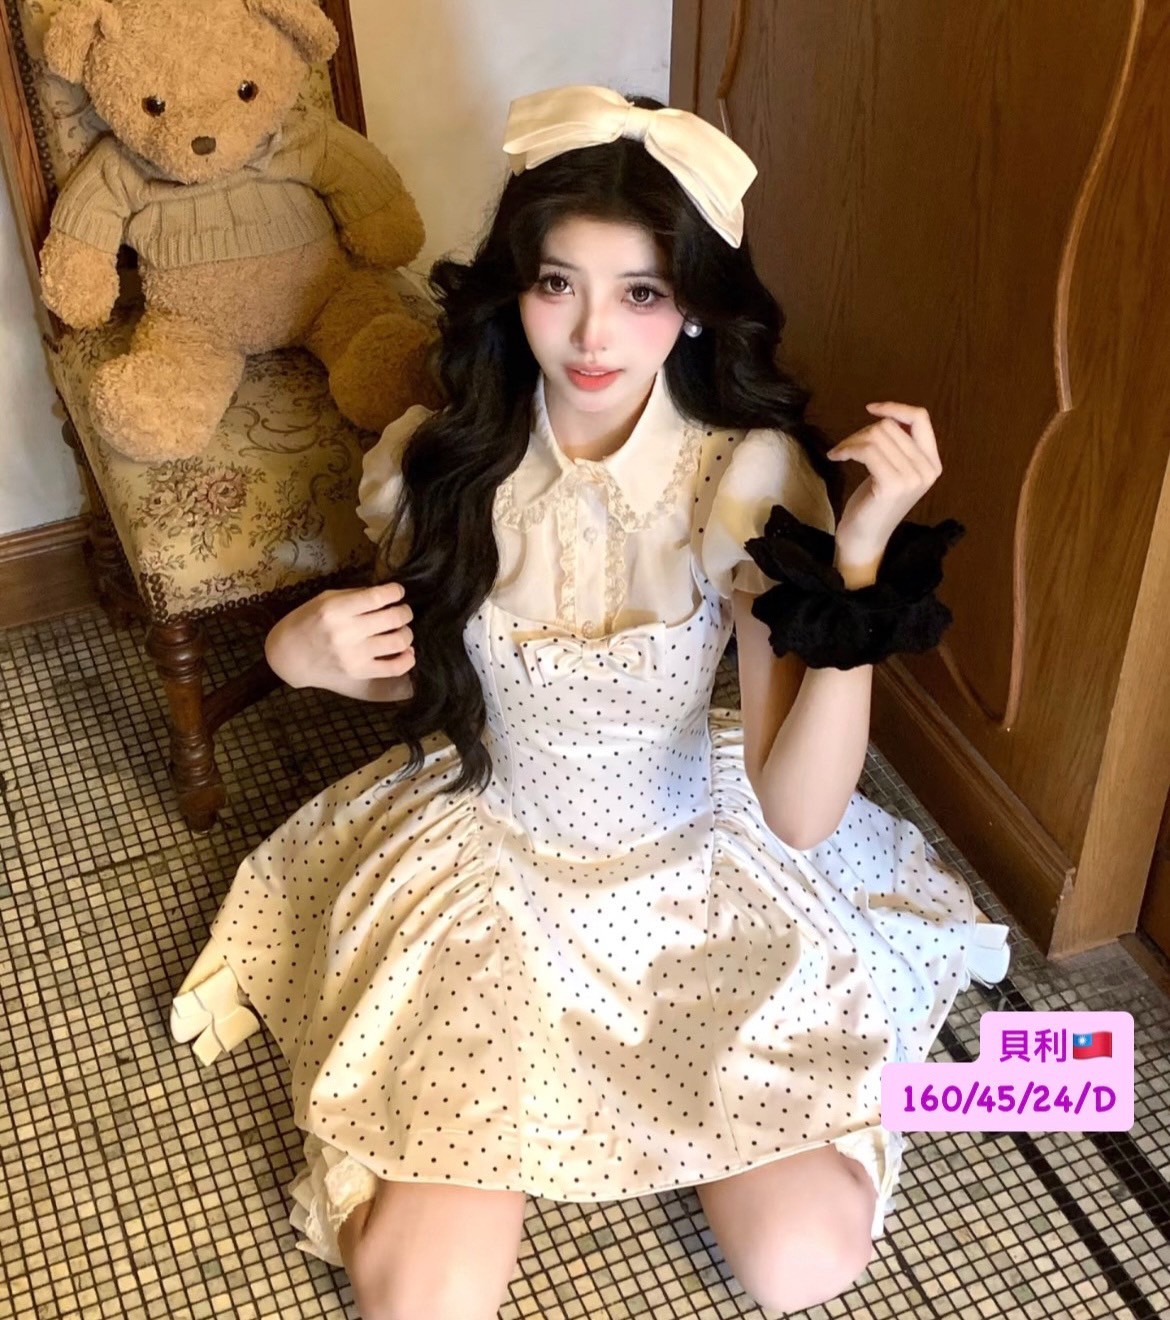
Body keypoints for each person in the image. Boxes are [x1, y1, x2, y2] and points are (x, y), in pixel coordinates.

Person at [170, 84, 1010, 1319]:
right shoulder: (439, 459)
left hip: (698, 876)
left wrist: (860, 568)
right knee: (424, 1300)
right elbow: (419, 674)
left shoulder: (743, 475)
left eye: (642, 293)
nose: (593, 334)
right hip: (491, 874)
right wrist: (300, 649)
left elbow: (798, 815)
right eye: (558, 283)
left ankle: (1000, 1083)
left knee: (804, 1263)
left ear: (694, 308)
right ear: (516, 289)